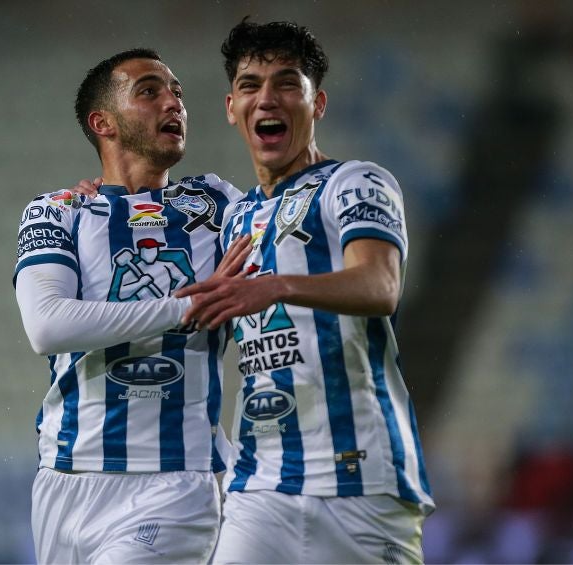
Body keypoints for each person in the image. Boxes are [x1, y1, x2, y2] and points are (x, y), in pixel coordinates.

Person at [176, 19, 436, 564]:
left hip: (361, 480)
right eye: (250, 85)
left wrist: (276, 287)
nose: (267, 97)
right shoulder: (234, 218)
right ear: (230, 106)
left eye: (287, 83)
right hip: (260, 486)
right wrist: (92, 190)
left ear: (317, 104)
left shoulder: (355, 183)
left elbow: (381, 284)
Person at [13, 48, 249, 563]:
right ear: (103, 122)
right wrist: (184, 308)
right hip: (64, 481)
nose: (174, 103)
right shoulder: (60, 211)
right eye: (149, 91)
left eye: (177, 93)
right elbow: (48, 326)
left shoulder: (217, 204)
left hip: (175, 482)